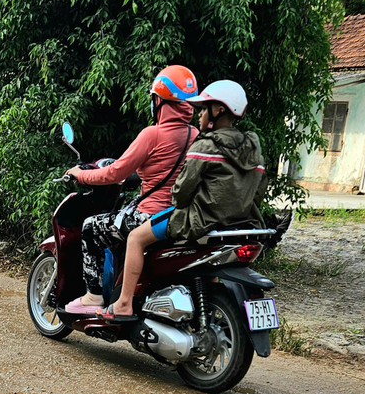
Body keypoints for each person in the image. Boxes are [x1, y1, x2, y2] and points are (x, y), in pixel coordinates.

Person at [103, 79, 265, 321]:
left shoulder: (206, 145)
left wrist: (185, 199)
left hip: (198, 219)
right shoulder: (252, 147)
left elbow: (180, 192)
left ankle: (124, 303)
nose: (199, 114)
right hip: (240, 223)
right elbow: (258, 191)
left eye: (203, 108)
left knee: (135, 237)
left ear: (218, 110)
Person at [62, 66, 199, 316]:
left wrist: (80, 175)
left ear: (159, 101)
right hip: (179, 214)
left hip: (150, 215)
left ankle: (94, 296)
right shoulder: (195, 135)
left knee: (91, 227)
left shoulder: (152, 134)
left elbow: (114, 173)